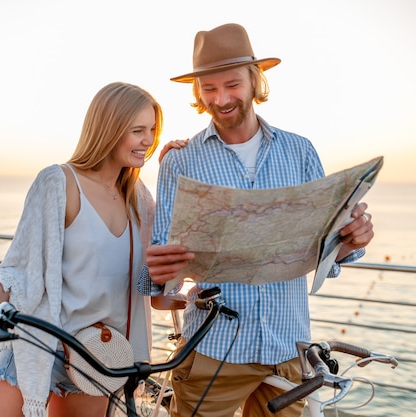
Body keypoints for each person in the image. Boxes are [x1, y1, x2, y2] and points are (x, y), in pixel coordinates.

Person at [138, 23, 375, 417]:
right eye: (209, 89)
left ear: (253, 80)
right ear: (198, 92)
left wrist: (350, 242)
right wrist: (162, 270)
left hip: (288, 345)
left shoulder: (300, 152)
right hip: (212, 351)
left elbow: (326, 253)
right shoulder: (180, 161)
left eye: (231, 84)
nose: (221, 98)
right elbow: (164, 274)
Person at [0, 81, 162, 417]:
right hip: (41, 346)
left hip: (98, 358)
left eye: (153, 130)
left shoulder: (139, 199)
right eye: (138, 130)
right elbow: (22, 265)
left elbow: (150, 278)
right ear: (109, 129)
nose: (148, 140)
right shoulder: (59, 183)